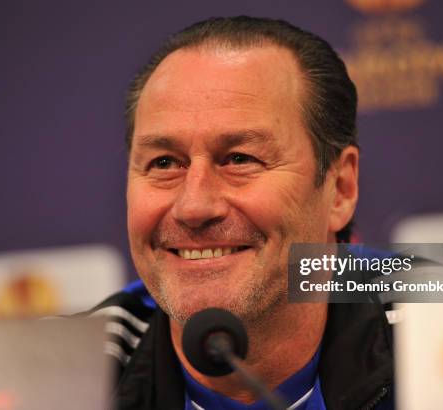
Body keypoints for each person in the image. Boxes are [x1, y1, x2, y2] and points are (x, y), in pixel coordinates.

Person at [89, 16, 394, 410]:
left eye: (239, 158)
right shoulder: (58, 374)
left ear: (340, 189)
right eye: (164, 163)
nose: (193, 206)